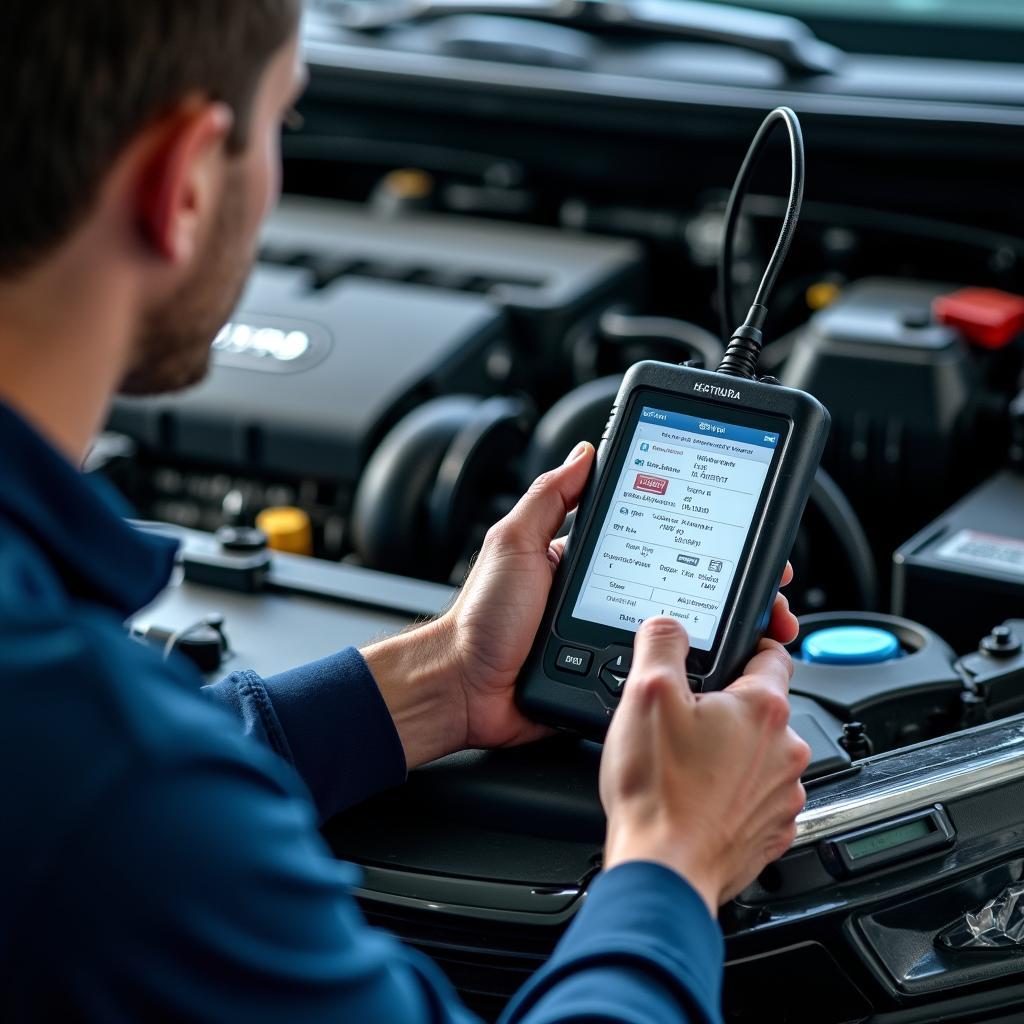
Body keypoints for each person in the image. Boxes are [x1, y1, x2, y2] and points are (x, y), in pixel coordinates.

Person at [0, 3, 811, 1021]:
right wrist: (672, 860)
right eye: (284, 124)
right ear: (186, 182)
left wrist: (437, 684)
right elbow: (108, 807)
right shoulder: (105, 776)